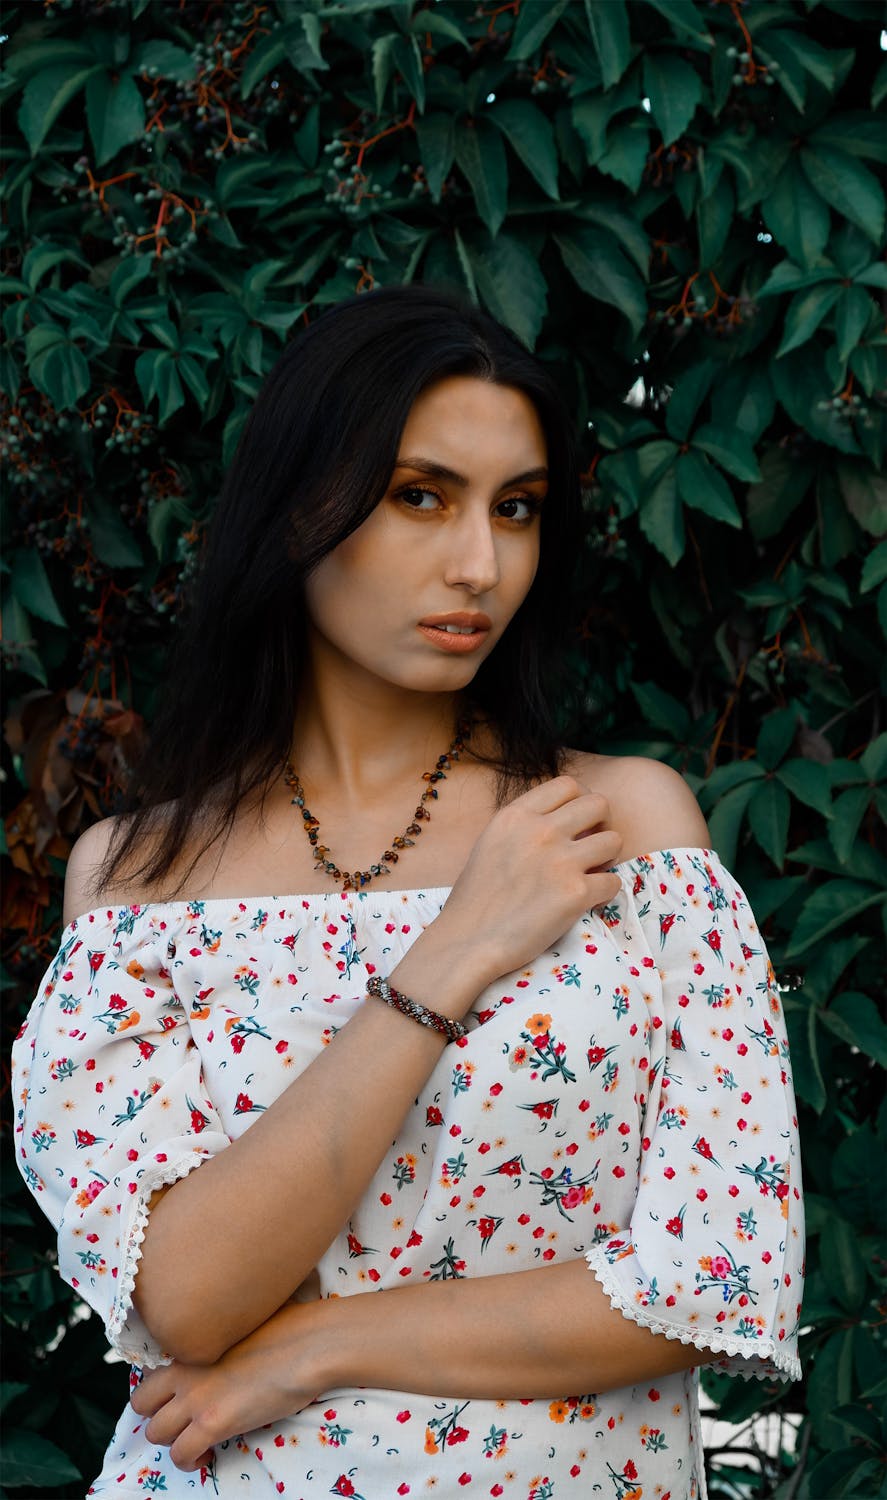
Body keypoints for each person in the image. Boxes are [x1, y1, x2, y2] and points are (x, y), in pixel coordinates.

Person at [12, 286, 804, 1500]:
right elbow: (185, 1298)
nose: (479, 564)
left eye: (517, 509)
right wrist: (452, 953)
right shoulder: (134, 882)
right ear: (297, 509)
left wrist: (320, 1346)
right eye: (418, 496)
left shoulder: (619, 829)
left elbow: (716, 1273)